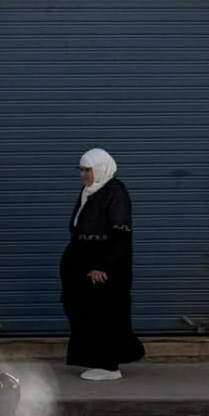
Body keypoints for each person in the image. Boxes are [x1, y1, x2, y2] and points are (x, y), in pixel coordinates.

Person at [61, 148, 144, 382]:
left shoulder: (115, 193)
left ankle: (109, 365)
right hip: (83, 263)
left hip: (103, 268)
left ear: (100, 169)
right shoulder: (90, 191)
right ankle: (95, 360)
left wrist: (104, 266)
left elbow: (121, 234)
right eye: (81, 170)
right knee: (82, 311)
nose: (83, 175)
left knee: (103, 314)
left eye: (87, 170)